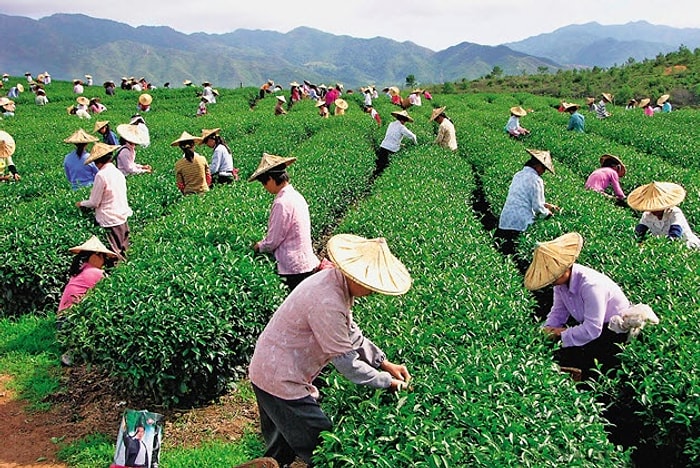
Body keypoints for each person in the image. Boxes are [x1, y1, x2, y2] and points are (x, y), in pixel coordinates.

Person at [248, 233, 412, 467]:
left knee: (281, 447)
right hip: (280, 380)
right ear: (357, 278)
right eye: (371, 286)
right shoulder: (328, 301)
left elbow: (350, 331)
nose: (373, 292)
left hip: (269, 368)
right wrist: (387, 382)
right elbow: (347, 364)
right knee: (324, 445)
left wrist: (382, 362)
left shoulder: (334, 282)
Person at [524, 232, 641, 380]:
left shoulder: (591, 286)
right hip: (592, 328)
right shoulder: (560, 285)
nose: (551, 281)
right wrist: (545, 331)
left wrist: (560, 334)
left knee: (594, 372)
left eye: (554, 276)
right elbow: (558, 312)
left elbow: (593, 329)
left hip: (612, 333)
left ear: (566, 268)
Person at [249, 153, 320, 291]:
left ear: (270, 179)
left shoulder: (281, 203)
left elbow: (272, 241)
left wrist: (257, 247)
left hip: (293, 269)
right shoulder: (296, 195)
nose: (265, 187)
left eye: (264, 183)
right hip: (305, 262)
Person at [496, 148, 560, 255]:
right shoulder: (536, 180)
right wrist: (548, 214)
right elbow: (538, 208)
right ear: (537, 166)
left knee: (502, 254)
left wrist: (548, 205)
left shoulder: (518, 175)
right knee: (515, 255)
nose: (543, 172)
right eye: (543, 168)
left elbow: (523, 197)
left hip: (505, 220)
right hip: (520, 224)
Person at [76, 142, 132, 259]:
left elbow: (94, 202)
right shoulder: (118, 173)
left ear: (98, 161)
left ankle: (115, 276)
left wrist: (81, 203)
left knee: (114, 255)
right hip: (122, 217)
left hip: (110, 220)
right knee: (125, 252)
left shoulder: (101, 175)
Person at [628, 181, 700, 249]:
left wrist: (663, 248)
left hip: (685, 245)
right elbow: (639, 232)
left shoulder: (674, 212)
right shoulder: (647, 215)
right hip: (664, 247)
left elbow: (675, 233)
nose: (654, 210)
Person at [58, 235, 117, 316]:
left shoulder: (80, 270)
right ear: (95, 256)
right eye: (103, 257)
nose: (103, 262)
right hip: (71, 319)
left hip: (62, 317)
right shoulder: (96, 273)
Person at [376, 110, 417, 175]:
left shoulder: (391, 124)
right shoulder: (402, 127)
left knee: (379, 167)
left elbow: (392, 136)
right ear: (404, 120)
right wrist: (416, 144)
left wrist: (399, 144)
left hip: (383, 147)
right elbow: (412, 136)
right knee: (386, 170)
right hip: (391, 150)